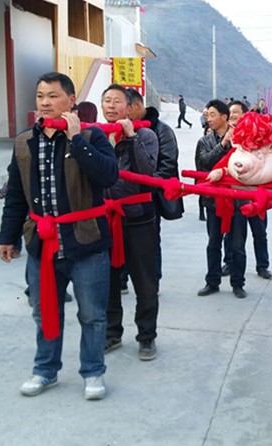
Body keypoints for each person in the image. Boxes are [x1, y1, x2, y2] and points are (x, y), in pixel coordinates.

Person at [0, 72, 118, 400]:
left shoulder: (91, 136)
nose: (45, 103)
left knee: (92, 314)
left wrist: (77, 141)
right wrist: (8, 237)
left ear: (71, 100)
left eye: (52, 96)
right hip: (43, 243)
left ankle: (93, 372)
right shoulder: (25, 141)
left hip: (86, 241)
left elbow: (108, 175)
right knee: (45, 312)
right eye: (40, 96)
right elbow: (16, 195)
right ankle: (45, 370)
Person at [101, 85, 160, 360]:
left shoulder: (146, 134)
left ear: (130, 107)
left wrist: (132, 138)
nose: (111, 106)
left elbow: (148, 170)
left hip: (138, 218)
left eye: (117, 101)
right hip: (105, 218)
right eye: (107, 101)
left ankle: (147, 337)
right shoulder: (96, 134)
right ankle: (112, 333)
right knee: (108, 281)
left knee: (144, 282)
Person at [195, 100, 248, 299]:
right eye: (207, 115)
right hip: (214, 201)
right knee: (213, 243)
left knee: (237, 246)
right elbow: (204, 164)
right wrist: (223, 144)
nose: (208, 118)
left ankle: (238, 283)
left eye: (212, 114)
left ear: (224, 117)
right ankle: (212, 281)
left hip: (238, 201)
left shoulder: (242, 139)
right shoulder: (204, 141)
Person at [128, 89, 182, 282]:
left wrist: (146, 185)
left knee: (149, 239)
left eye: (125, 106)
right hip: (125, 196)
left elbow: (168, 163)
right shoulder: (121, 127)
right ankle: (123, 278)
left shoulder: (161, 130)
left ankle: (152, 280)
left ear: (136, 105)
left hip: (150, 195)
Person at [222, 100, 272, 280]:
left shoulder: (259, 137)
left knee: (260, 233)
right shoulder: (226, 135)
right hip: (235, 195)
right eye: (230, 112)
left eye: (236, 112)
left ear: (245, 115)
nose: (232, 115)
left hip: (256, 196)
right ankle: (229, 263)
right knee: (233, 235)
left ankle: (262, 265)